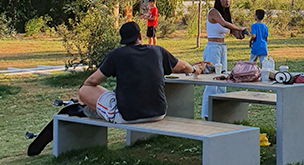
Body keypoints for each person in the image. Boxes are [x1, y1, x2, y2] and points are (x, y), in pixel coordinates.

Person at [78, 22, 209, 123]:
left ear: (122, 40)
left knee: (84, 90)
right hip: (159, 113)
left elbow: (91, 82)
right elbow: (183, 66)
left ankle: (98, 110)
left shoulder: (117, 54)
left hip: (128, 116)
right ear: (140, 36)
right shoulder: (157, 51)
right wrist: (194, 69)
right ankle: (101, 108)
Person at [201, 0, 248, 120]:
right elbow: (223, 24)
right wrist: (239, 28)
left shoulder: (226, 15)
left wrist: (244, 35)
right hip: (213, 47)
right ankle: (206, 115)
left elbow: (232, 32)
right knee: (212, 81)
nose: (226, 0)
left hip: (222, 47)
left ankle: (219, 114)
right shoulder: (214, 12)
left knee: (223, 80)